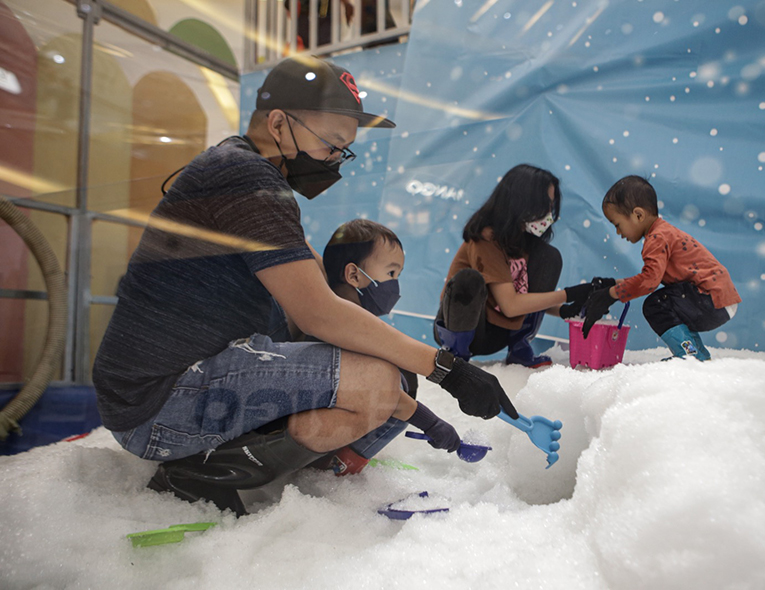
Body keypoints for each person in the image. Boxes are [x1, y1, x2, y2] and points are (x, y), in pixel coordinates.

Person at [92, 56, 517, 517]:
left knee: (391, 370)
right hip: (159, 403)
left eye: (343, 150)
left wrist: (409, 356)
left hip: (180, 382)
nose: (336, 160)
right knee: (377, 381)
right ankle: (198, 478)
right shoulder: (245, 177)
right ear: (278, 123)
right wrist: (447, 369)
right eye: (331, 144)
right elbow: (319, 311)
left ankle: (304, 469)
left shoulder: (243, 171)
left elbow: (317, 283)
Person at [270, 218, 428, 475]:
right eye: (390, 274)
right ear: (354, 275)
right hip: (305, 424)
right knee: (394, 391)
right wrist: (429, 421)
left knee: (402, 377)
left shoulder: (352, 319)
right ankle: (333, 465)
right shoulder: (334, 323)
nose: (395, 285)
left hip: (329, 413)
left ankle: (341, 458)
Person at [434, 164, 611, 368]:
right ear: (522, 201)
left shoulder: (523, 242)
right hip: (468, 330)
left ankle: (520, 346)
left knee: (550, 257)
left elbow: (522, 297)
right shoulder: (485, 239)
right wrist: (569, 294)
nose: (548, 213)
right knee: (468, 280)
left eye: (551, 205)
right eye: (545, 204)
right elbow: (510, 305)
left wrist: (566, 310)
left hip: (500, 331)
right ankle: (455, 355)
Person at [572, 175, 741, 360]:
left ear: (638, 215)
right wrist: (611, 288)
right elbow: (651, 278)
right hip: (718, 298)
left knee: (656, 305)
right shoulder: (664, 233)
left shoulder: (656, 238)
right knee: (671, 302)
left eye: (618, 225)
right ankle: (697, 354)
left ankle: (687, 355)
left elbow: (649, 281)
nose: (618, 233)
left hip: (710, 298)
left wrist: (611, 294)